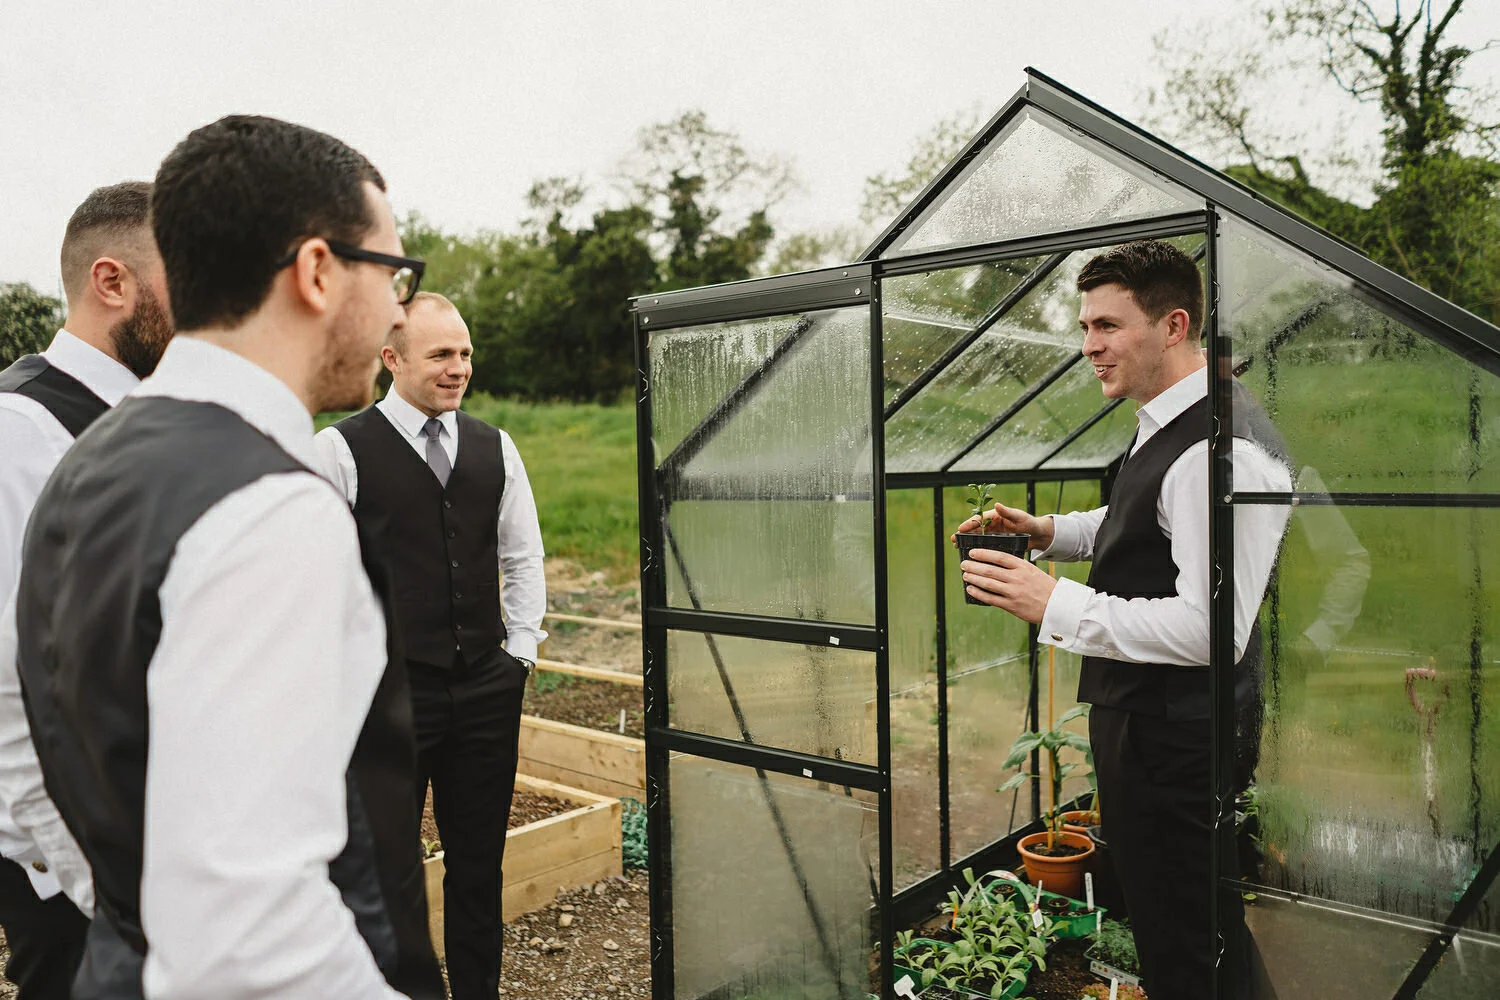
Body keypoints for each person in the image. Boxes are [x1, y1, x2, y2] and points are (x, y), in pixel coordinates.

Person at [9, 115, 443, 999]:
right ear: (319, 271)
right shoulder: (267, 508)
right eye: (395, 274)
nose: (399, 308)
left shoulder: (87, 459)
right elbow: (248, 938)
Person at [955, 240, 1292, 1000]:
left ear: (1173, 326)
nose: (1089, 347)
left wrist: (1055, 602)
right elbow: (1148, 516)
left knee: (1183, 936)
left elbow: (1214, 632)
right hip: (1153, 726)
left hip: (1174, 741)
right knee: (1188, 925)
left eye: (1107, 326)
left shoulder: (1219, 451)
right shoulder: (1176, 419)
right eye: (1084, 327)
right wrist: (1051, 532)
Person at [315, 291, 547, 1000]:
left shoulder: (494, 446)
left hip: (484, 688)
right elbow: (314, 577)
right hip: (388, 698)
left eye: (466, 353)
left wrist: (520, 655)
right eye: (441, 354)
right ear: (392, 358)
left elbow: (522, 558)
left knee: (479, 866)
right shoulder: (339, 451)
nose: (458, 369)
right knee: (386, 869)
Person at [0, 180, 173, 1000]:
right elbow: (8, 686)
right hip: (82, 875)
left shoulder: (166, 420)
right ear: (112, 283)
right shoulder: (17, 434)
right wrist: (87, 880)